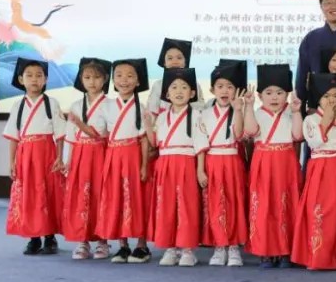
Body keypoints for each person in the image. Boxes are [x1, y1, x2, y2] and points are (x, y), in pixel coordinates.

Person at [291, 73, 336, 270]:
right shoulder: (311, 119)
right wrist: (326, 121)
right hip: (319, 168)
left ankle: (335, 257)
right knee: (317, 211)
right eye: (327, 96)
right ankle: (315, 256)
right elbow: (314, 142)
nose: (332, 100)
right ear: (318, 98)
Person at [3, 58, 66, 256]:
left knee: (48, 194)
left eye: (39, 75)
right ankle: (34, 237)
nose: (34, 79)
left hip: (46, 154)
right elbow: (14, 137)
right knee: (29, 195)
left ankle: (50, 237)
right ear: (21, 79)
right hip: (25, 156)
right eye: (29, 75)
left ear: (45, 79)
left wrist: (59, 158)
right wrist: (12, 162)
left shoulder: (51, 103)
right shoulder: (17, 105)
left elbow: (60, 135)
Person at [242, 64, 303, 268]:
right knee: (263, 206)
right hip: (264, 162)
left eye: (279, 92)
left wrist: (297, 112)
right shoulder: (257, 113)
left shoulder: (290, 113)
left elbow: (297, 135)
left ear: (287, 95)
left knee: (286, 205)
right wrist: (248, 107)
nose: (274, 97)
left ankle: (286, 251)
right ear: (260, 96)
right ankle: (265, 251)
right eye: (268, 93)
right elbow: (250, 131)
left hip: (286, 162)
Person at [93, 58, 151, 264]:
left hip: (134, 156)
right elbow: (99, 134)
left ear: (138, 81)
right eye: (118, 75)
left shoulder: (141, 107)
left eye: (129, 76)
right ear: (113, 80)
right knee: (116, 197)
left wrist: (144, 165)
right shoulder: (106, 106)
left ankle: (142, 245)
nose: (124, 80)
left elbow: (144, 139)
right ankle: (123, 244)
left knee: (137, 198)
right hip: (114, 156)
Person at [147, 68, 205, 267]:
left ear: (192, 93)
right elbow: (154, 142)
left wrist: (200, 170)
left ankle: (187, 249)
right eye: (174, 87)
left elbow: (200, 145)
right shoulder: (162, 117)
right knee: (166, 205)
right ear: (167, 94)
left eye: (184, 87)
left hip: (186, 162)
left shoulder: (196, 115)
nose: (179, 91)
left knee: (187, 205)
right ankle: (170, 248)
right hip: (166, 163)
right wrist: (148, 125)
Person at [198, 59, 249, 267]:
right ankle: (219, 246)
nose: (225, 90)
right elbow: (201, 143)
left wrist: (238, 110)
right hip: (212, 161)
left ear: (237, 91)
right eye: (220, 86)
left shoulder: (239, 110)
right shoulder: (204, 114)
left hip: (232, 160)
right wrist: (200, 170)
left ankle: (234, 246)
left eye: (230, 86)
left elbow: (239, 135)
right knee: (215, 203)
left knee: (234, 201)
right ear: (212, 90)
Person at [62, 57, 111, 260]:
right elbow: (71, 137)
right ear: (81, 79)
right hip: (81, 154)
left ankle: (102, 240)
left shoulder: (110, 105)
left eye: (97, 77)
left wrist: (81, 125)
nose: (92, 82)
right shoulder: (75, 105)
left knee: (101, 194)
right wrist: (68, 160)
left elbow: (103, 133)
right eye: (87, 77)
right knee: (81, 195)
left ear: (105, 79)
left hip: (101, 153)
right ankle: (82, 240)